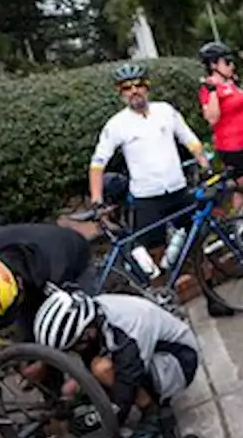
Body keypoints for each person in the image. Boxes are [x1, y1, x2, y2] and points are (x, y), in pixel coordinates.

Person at [88, 64, 222, 316]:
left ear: (147, 88)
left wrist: (204, 163)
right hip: (146, 198)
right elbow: (97, 163)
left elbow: (189, 138)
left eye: (139, 85)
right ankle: (164, 307)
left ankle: (213, 298)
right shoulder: (117, 124)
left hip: (178, 191)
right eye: (127, 88)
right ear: (121, 94)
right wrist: (96, 199)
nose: (134, 91)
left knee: (196, 245)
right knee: (154, 257)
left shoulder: (165, 111)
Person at [33, 290, 213, 438]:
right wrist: (74, 396)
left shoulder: (127, 329)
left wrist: (93, 420)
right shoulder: (95, 315)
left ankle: (153, 417)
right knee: (83, 379)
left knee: (102, 369)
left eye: (75, 346)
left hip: (180, 362)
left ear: (87, 332)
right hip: (153, 355)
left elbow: (124, 388)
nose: (75, 351)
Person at [198, 42, 243, 212]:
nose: (232, 65)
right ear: (213, 65)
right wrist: (214, 92)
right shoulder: (208, 88)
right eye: (227, 62)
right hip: (233, 147)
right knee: (242, 188)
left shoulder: (230, 83)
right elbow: (212, 118)